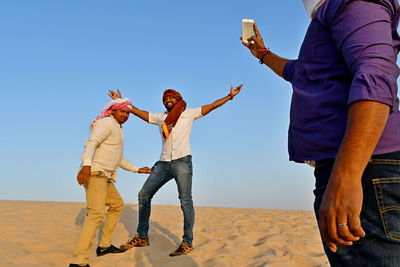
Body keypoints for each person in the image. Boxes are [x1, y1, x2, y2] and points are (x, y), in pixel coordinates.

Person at [241, 0, 400, 266]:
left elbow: (376, 75)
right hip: (353, 167)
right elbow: (301, 73)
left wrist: (347, 176)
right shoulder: (329, 13)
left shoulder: (352, 2)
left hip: (365, 169)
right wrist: (263, 54)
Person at [109, 85, 242, 256]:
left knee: (185, 201)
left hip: (182, 162)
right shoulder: (161, 117)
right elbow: (139, 112)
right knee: (144, 195)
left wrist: (229, 96)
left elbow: (211, 106)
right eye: (165, 99)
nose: (168, 100)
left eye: (171, 98)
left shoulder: (189, 114)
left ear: (177, 99)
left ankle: (187, 242)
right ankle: (142, 237)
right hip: (163, 164)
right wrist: (121, 101)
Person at [69, 98, 151, 267]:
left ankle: (104, 245)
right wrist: (86, 166)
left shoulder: (118, 128)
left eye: (128, 113)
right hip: (95, 173)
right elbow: (92, 143)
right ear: (113, 110)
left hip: (105, 177)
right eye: (122, 111)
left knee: (117, 205)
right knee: (96, 214)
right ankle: (79, 261)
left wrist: (137, 169)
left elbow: (118, 157)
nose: (126, 115)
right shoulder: (106, 123)